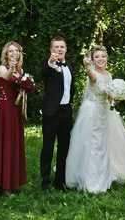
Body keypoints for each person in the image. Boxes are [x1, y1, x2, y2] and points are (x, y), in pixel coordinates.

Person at [66, 45, 125, 193]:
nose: (101, 59)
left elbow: (108, 96)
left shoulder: (109, 75)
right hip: (92, 112)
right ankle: (90, 180)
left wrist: (114, 99)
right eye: (97, 57)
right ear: (93, 60)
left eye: (103, 56)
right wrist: (87, 68)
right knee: (91, 144)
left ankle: (103, 176)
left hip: (104, 111)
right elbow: (92, 78)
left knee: (103, 144)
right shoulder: (92, 73)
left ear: (107, 58)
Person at [0, 41, 36, 196]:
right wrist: (12, 68)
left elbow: (20, 86)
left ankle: (14, 182)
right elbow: (6, 77)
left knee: (15, 143)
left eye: (16, 51)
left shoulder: (21, 71)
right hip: (5, 109)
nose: (13, 53)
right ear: (6, 54)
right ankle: (4, 185)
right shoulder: (3, 68)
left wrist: (24, 90)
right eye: (10, 51)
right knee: (6, 143)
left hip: (16, 109)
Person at [40, 36, 76, 193]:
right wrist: (51, 62)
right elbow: (44, 71)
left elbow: (71, 87)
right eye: (56, 47)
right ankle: (45, 182)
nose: (59, 49)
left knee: (64, 147)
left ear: (66, 49)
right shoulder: (48, 64)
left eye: (62, 46)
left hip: (66, 112)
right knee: (48, 147)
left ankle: (60, 181)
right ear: (51, 50)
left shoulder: (70, 66)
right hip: (51, 112)